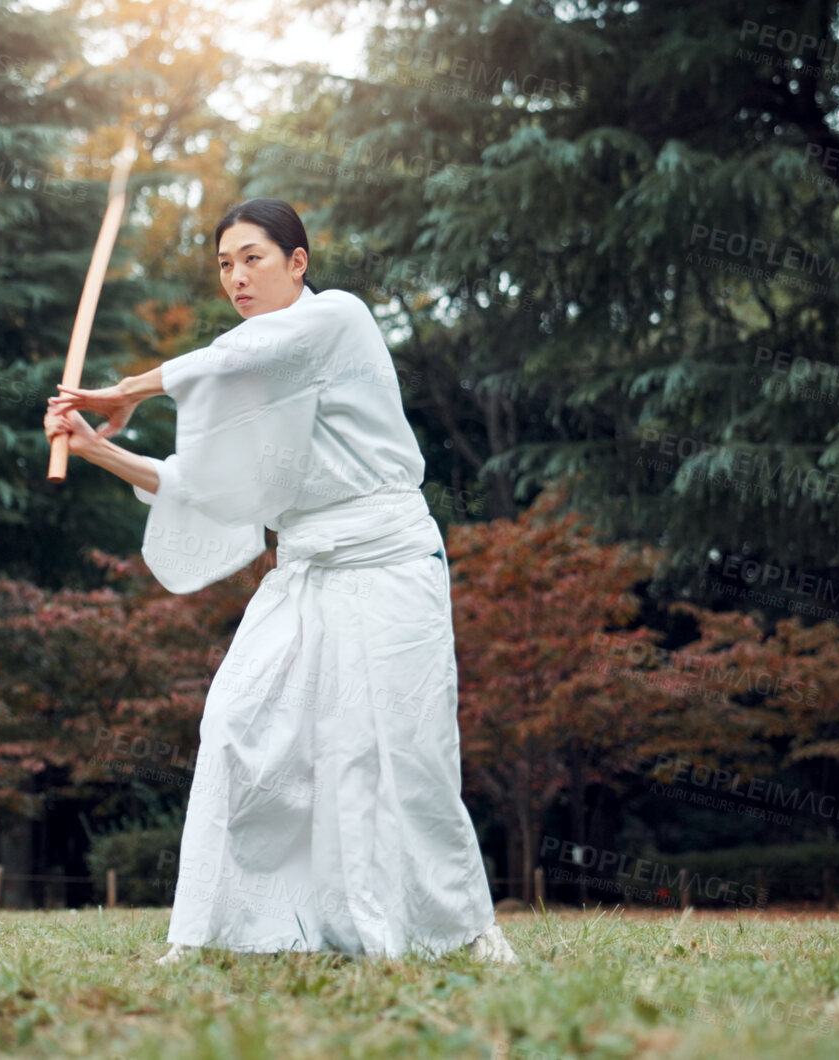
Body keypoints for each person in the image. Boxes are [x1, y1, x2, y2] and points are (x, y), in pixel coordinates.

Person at [44, 198, 515, 965]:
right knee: (235, 722)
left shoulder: (337, 319)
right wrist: (95, 447)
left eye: (253, 257)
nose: (236, 275)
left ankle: (464, 930)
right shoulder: (253, 379)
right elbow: (203, 486)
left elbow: (231, 356)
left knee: (404, 749)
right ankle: (220, 932)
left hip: (390, 563)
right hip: (304, 570)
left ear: (298, 263)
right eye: (224, 263)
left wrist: (128, 387)